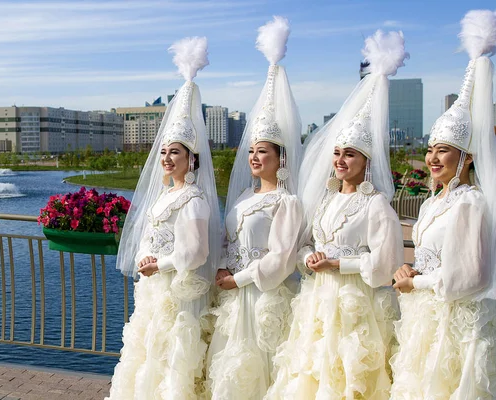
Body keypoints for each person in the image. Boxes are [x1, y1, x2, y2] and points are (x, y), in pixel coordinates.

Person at [390, 10, 496, 399]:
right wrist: (412, 269)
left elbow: (469, 277)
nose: (434, 159)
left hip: (459, 325)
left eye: (444, 152)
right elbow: (434, 258)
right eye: (431, 150)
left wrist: (412, 282)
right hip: (428, 317)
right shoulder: (433, 201)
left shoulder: (469, 203)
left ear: (466, 158)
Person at [265, 30, 407, 399]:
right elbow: (307, 244)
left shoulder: (377, 206)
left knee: (351, 380)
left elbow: (386, 266)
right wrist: (309, 257)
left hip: (357, 310)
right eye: (337, 153)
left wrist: (337, 266)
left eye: (350, 155)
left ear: (366, 162)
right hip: (318, 302)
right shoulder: (326, 200)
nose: (341, 161)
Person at [106, 37, 221, 400]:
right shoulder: (164, 195)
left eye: (176, 153)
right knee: (146, 356)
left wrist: (163, 265)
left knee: (172, 360)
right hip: (152, 290)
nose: (168, 159)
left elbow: (196, 254)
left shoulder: (193, 199)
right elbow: (148, 236)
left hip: (177, 291)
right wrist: (145, 262)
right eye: (165, 153)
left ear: (192, 160)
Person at [206, 16, 303, 400]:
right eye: (251, 151)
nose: (254, 157)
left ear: (281, 158)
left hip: (264, 296)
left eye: (262, 151)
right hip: (234, 295)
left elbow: (282, 259)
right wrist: (224, 268)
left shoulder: (287, 202)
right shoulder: (245, 197)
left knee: (263, 370)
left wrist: (239, 279)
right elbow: (228, 238)